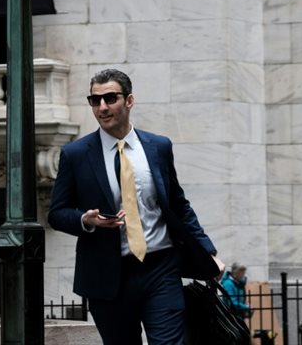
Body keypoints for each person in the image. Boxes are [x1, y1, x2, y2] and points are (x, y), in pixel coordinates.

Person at [48, 69, 225, 345]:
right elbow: (56, 214)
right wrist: (86, 219)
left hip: (161, 268)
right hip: (107, 276)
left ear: (129, 101)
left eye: (110, 98)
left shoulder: (159, 147)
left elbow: (178, 205)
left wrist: (208, 250)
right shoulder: (76, 155)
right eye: (95, 101)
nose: (102, 107)